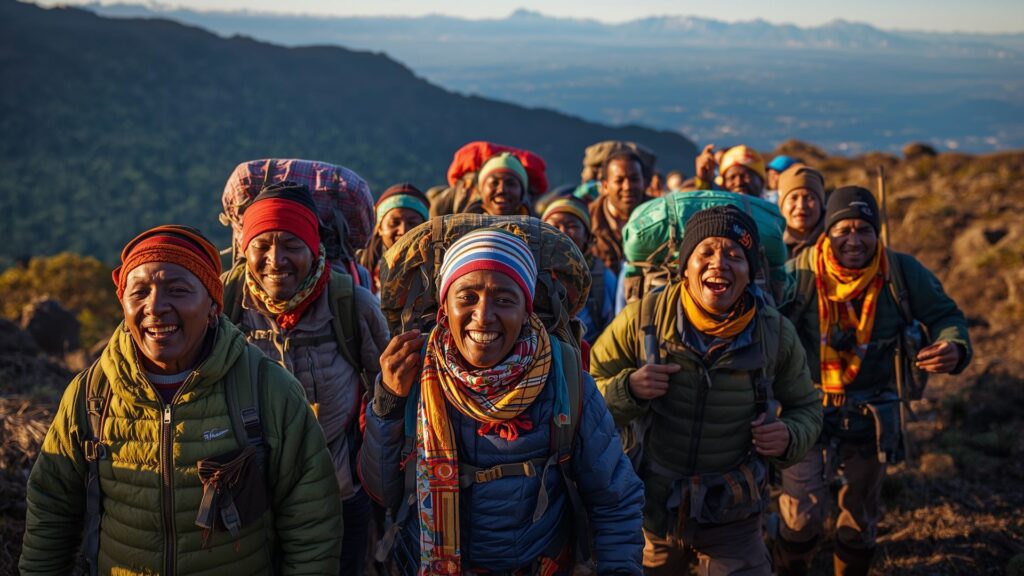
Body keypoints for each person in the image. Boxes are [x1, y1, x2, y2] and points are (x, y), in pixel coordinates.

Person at [20, 225, 342, 575]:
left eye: (178, 290)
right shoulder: (92, 394)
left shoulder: (267, 389)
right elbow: (51, 507)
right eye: (139, 292)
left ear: (212, 306)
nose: (155, 307)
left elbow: (312, 524)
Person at [361, 229, 645, 575]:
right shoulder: (410, 374)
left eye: (504, 300)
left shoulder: (564, 381)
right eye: (467, 297)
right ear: (444, 309)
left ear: (527, 312)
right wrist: (388, 404)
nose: (483, 316)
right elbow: (382, 492)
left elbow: (614, 499)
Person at [590, 206, 822, 575]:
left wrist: (789, 435)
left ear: (751, 274)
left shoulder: (775, 332)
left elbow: (807, 407)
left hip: (733, 510)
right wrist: (628, 388)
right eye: (706, 252)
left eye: (735, 255)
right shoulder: (642, 318)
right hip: (650, 509)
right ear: (685, 266)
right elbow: (586, 392)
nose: (719, 264)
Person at [775, 186, 972, 576]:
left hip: (874, 413)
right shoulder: (798, 273)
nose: (854, 239)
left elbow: (947, 316)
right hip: (805, 411)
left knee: (859, 519)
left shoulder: (901, 272)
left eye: (864, 229)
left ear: (877, 233)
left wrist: (953, 347)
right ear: (827, 232)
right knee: (800, 517)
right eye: (843, 228)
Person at [222, 182, 390, 575]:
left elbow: (387, 389)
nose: (275, 259)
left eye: (291, 244)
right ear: (245, 248)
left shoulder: (351, 305)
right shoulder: (225, 303)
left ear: (315, 249)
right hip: (249, 493)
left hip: (337, 491)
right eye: (262, 245)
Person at [541, 197, 616, 345]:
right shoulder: (531, 271)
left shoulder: (604, 277)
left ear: (588, 237)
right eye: (554, 225)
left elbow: (613, 331)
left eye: (571, 226)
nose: (562, 233)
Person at [358, 183, 430, 294]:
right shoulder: (358, 267)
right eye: (394, 223)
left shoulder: (437, 269)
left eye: (413, 223)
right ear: (379, 228)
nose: (403, 231)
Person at [589, 150, 651, 275]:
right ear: (605, 186)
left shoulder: (662, 216)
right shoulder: (586, 220)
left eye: (634, 179)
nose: (627, 187)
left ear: (644, 182)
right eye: (619, 180)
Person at [778, 164, 826, 260]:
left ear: (821, 205)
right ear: (781, 205)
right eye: (793, 198)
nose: (801, 205)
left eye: (809, 198)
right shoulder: (769, 244)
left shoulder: (833, 244)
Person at [465, 152, 533, 216]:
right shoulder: (460, 227)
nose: (502, 190)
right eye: (494, 183)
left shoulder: (538, 227)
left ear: (522, 193)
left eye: (510, 184)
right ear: (480, 191)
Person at [694, 144, 767, 197]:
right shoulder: (717, 213)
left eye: (745, 176)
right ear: (723, 184)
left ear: (761, 180)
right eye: (732, 177)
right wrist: (704, 181)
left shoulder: (775, 211)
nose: (738, 183)